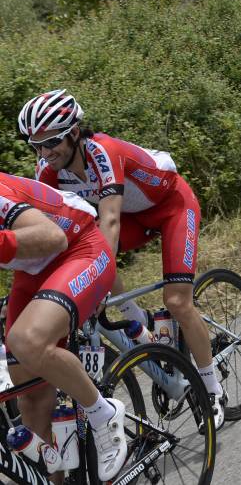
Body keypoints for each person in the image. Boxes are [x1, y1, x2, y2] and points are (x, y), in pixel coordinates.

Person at [17, 90, 227, 428]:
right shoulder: (48, 168)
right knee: (86, 245)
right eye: (36, 145)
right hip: (132, 220)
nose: (44, 153)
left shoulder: (102, 152)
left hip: (170, 208)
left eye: (51, 142)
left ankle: (212, 389)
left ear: (73, 132)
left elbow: (110, 221)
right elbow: (60, 232)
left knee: (177, 301)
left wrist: (97, 291)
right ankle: (138, 321)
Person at [0, 172, 126, 481]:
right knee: (30, 398)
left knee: (26, 340)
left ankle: (102, 414)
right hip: (32, 273)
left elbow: (53, 236)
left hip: (80, 248)